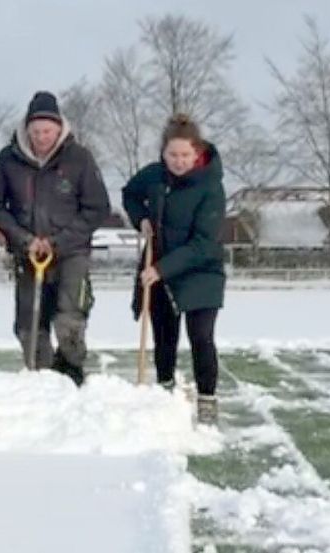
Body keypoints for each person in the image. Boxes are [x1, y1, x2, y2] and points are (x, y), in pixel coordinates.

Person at [0, 91, 110, 386]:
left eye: (47, 131)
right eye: (36, 131)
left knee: (69, 316)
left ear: (59, 128)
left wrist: (58, 241)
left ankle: (72, 371)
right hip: (27, 251)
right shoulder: (8, 159)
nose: (42, 137)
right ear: (27, 129)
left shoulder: (79, 158)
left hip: (71, 252)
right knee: (29, 322)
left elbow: (96, 208)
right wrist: (24, 239)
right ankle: (40, 374)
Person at [122, 114, 226, 425]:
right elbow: (129, 193)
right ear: (163, 153)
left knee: (201, 336)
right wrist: (140, 217)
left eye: (185, 155)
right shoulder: (154, 176)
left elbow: (204, 243)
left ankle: (207, 399)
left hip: (201, 270)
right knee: (164, 335)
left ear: (197, 153)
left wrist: (162, 269)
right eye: (172, 155)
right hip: (159, 263)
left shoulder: (211, 187)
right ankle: (164, 392)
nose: (179, 162)